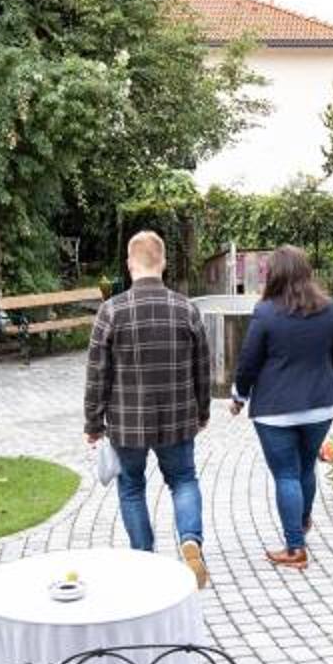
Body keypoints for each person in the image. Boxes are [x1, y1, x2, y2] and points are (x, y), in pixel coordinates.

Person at [84, 229, 214, 586]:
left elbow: (97, 374)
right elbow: (203, 368)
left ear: (130, 264)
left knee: (131, 487)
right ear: (163, 262)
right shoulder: (186, 309)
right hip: (178, 418)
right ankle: (190, 541)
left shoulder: (111, 311)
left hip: (127, 423)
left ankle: (144, 557)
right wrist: (202, 412)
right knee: (183, 480)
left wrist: (93, 423)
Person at [230, 246, 333, 569]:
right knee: (306, 468)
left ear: (275, 274)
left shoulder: (265, 312)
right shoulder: (329, 309)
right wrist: (326, 385)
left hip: (275, 411)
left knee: (286, 475)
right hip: (320, 407)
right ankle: (303, 520)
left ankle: (296, 548)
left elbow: (248, 362)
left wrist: (239, 396)